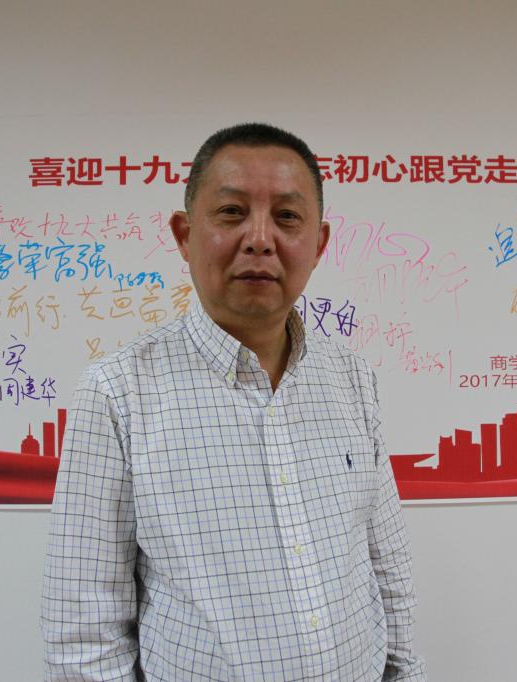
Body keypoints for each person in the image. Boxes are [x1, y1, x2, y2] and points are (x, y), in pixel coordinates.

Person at [42, 122, 427, 681]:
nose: (260, 239)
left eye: (287, 217)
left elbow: (387, 563)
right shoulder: (118, 393)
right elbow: (84, 628)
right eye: (231, 212)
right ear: (184, 235)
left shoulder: (352, 380)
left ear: (319, 244)